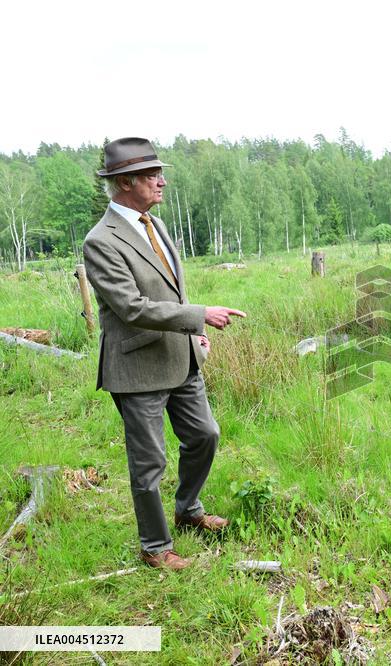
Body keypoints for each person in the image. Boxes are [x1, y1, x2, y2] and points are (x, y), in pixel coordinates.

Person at [83, 137, 246, 571]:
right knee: (149, 460)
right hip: (137, 367)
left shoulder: (153, 225)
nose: (162, 180)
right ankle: (155, 547)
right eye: (152, 175)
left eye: (159, 172)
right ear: (125, 182)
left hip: (181, 359)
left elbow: (170, 291)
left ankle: (188, 509)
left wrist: (193, 338)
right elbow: (132, 308)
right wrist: (199, 317)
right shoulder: (101, 241)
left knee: (205, 436)